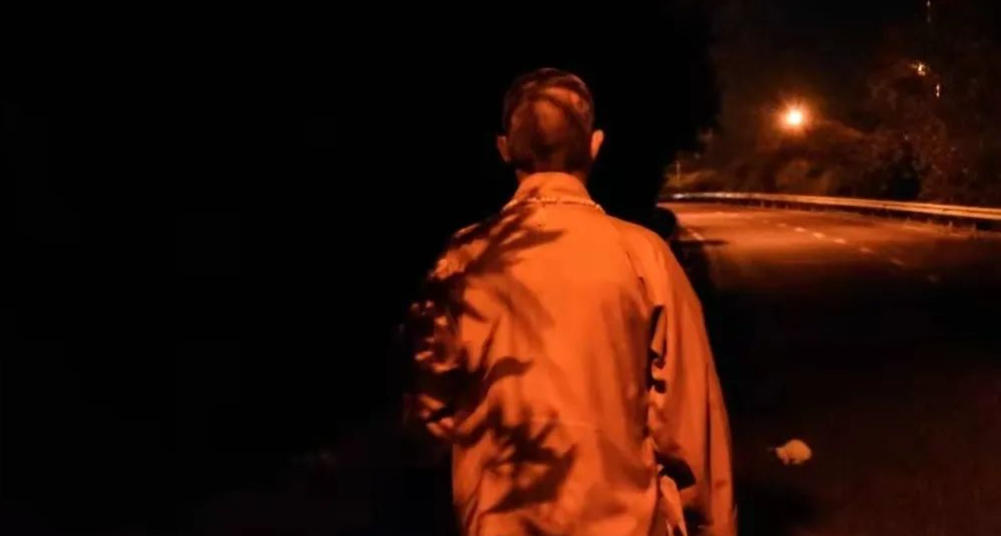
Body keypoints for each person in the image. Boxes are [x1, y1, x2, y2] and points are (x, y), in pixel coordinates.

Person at [406, 68, 735, 536]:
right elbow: (690, 424)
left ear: (504, 149)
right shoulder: (645, 258)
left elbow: (425, 418)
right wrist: (710, 524)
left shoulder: (461, 260)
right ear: (595, 146)